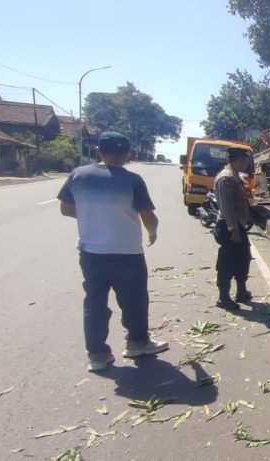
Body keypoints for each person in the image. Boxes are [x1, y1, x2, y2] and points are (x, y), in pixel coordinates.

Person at [58, 131, 169, 372]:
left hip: (91, 253)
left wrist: (93, 216)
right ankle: (137, 343)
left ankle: (98, 355)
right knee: (134, 300)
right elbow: (147, 215)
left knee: (95, 302)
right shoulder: (133, 180)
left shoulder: (78, 175)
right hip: (127, 252)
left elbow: (65, 209)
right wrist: (153, 232)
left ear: (98, 149)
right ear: (127, 153)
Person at [214, 147, 254, 310]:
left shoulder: (236, 176)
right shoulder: (226, 179)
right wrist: (234, 229)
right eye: (244, 160)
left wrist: (247, 219)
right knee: (228, 262)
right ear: (237, 160)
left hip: (238, 225)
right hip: (229, 227)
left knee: (243, 258)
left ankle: (241, 291)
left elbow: (240, 203)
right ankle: (223, 297)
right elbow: (227, 207)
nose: (246, 163)